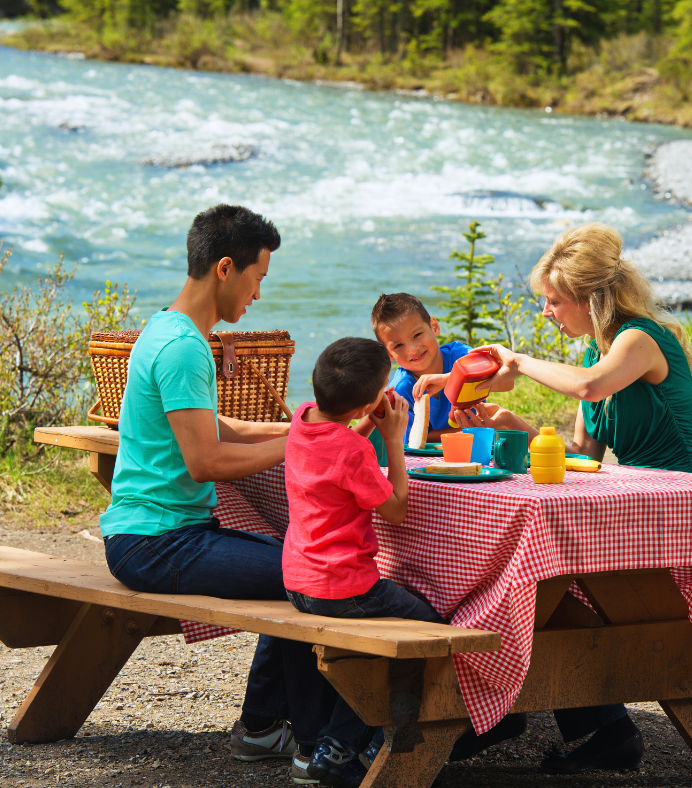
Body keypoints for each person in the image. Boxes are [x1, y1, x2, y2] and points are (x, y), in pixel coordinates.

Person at [428, 222, 692, 773]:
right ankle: (600, 728)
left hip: (690, 510)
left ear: (593, 299)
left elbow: (590, 388)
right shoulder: (593, 352)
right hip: (642, 507)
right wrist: (515, 424)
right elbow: (581, 455)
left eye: (554, 301)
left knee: (539, 583)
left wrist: (515, 363)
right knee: (535, 581)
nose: (546, 312)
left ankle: (491, 713)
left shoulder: (639, 340)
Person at [99, 204, 329, 778]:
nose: (257, 294)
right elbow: (206, 461)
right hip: (155, 543)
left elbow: (221, 428)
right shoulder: (183, 348)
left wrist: (310, 425)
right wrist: (300, 449)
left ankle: (265, 728)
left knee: (294, 566)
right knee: (304, 573)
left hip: (159, 534)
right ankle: (316, 742)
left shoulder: (169, 328)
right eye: (258, 277)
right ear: (226, 268)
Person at [282, 336, 446, 788]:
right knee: (428, 628)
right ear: (367, 402)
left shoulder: (301, 421)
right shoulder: (354, 452)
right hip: (344, 587)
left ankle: (342, 742)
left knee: (382, 639)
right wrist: (393, 439)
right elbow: (394, 508)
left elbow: (336, 454)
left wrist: (368, 425)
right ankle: (362, 740)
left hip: (299, 581)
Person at [370, 293, 512, 444]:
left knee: (507, 426)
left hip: (481, 441)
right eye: (398, 345)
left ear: (434, 327)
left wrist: (451, 380)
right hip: (435, 458)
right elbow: (416, 441)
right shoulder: (402, 390)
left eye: (417, 335)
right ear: (389, 354)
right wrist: (473, 432)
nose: (412, 349)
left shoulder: (459, 355)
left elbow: (507, 383)